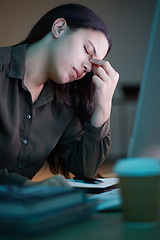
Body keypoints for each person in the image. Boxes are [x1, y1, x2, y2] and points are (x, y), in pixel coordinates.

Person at [0, 3, 119, 183]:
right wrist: (28, 188)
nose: (88, 67)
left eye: (94, 65)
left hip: (21, 209)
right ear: (59, 28)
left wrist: (103, 108)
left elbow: (84, 169)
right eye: (87, 50)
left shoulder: (63, 103)